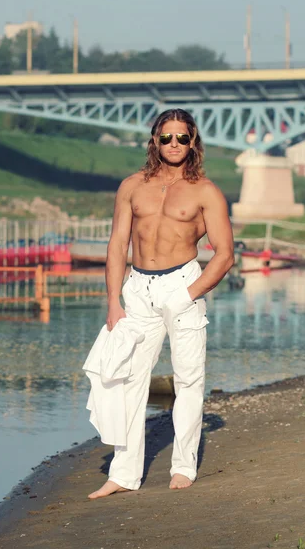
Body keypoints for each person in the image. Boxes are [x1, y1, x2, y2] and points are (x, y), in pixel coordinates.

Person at [87, 108, 234, 499]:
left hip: (183, 285)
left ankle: (183, 467)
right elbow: (118, 244)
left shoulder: (206, 191)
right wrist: (113, 301)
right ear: (154, 140)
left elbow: (224, 255)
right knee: (126, 380)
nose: (174, 144)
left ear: (193, 142)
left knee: (188, 380)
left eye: (181, 138)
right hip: (137, 289)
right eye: (166, 137)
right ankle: (123, 474)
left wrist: (186, 295)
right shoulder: (132, 186)